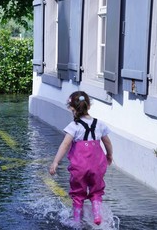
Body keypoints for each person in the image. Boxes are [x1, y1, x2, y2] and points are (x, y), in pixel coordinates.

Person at [49, 91, 113, 225]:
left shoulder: (74, 126)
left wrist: (56, 162)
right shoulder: (99, 124)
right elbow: (107, 142)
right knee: (96, 190)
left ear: (71, 108)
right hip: (97, 165)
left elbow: (65, 145)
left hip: (79, 167)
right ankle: (97, 215)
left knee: (78, 193)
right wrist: (109, 155)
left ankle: (77, 220)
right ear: (89, 106)